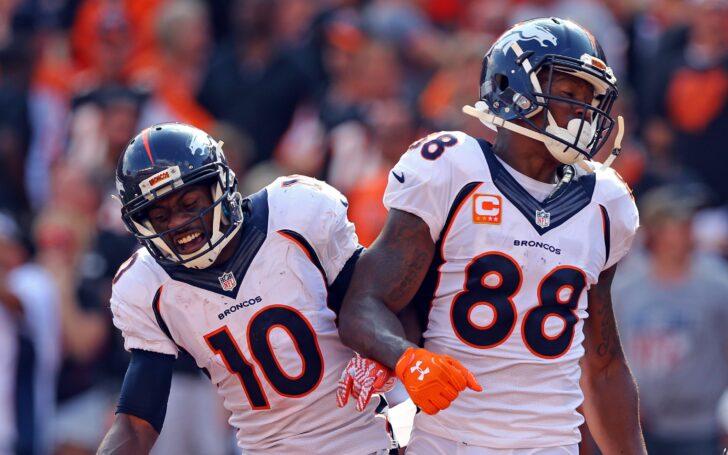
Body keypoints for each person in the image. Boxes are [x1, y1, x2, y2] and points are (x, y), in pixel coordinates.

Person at [336, 17, 647, 454]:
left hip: (549, 443)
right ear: (514, 86)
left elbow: (605, 365)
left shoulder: (606, 203)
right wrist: (405, 358)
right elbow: (363, 303)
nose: (582, 109)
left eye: (590, 97)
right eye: (570, 92)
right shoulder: (452, 168)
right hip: (447, 440)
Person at [97, 123, 393, 454]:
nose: (178, 224)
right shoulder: (147, 285)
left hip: (363, 438)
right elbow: (137, 423)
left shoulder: (295, 214)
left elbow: (372, 302)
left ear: (218, 186)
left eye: (189, 203)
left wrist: (391, 354)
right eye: (161, 216)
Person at [613, 185, 728, 455]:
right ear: (656, 232)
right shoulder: (625, 288)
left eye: (690, 222)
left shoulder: (718, 283)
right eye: (679, 223)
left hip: (701, 425)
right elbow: (612, 353)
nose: (688, 230)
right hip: (638, 426)